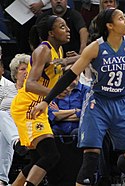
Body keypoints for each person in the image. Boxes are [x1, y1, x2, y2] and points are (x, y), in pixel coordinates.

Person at [31, 8, 125, 186]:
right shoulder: (94, 48)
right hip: (97, 104)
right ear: (110, 26)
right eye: (121, 18)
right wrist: (46, 101)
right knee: (90, 161)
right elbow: (69, 75)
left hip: (122, 103)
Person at [10, 15, 70, 186]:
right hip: (28, 106)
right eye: (62, 27)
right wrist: (54, 92)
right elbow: (30, 84)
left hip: (38, 106)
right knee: (51, 155)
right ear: (51, 32)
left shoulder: (58, 50)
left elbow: (57, 70)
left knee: (36, 161)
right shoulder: (43, 50)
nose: (68, 30)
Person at [0, 54, 29, 186]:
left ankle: (2, 179)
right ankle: (16, 141)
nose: (26, 72)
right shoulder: (5, 89)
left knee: (2, 123)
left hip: (23, 126)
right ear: (15, 73)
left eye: (29, 68)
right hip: (5, 125)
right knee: (2, 116)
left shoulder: (33, 91)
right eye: (22, 69)